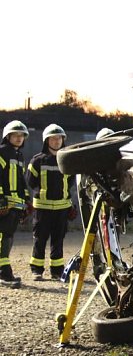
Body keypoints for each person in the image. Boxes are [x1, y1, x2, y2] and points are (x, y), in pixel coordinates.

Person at [26, 124, 76, 281]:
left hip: (62, 208)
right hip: (42, 208)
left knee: (58, 240)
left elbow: (71, 182)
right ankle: (37, 270)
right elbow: (30, 181)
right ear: (46, 141)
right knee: (39, 239)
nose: (56, 141)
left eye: (59, 138)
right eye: (53, 139)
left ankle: (57, 271)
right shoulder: (37, 161)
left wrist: (68, 203)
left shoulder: (67, 160)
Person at [0, 120, 31, 288]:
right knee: (3, 237)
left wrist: (26, 201)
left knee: (8, 237)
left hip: (15, 204)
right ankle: (4, 273)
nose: (19, 138)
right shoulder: (2, 152)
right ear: (8, 136)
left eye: (21, 135)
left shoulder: (19, 156)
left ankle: (4, 271)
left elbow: (21, 181)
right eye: (15, 135)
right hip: (5, 204)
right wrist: (0, 198)